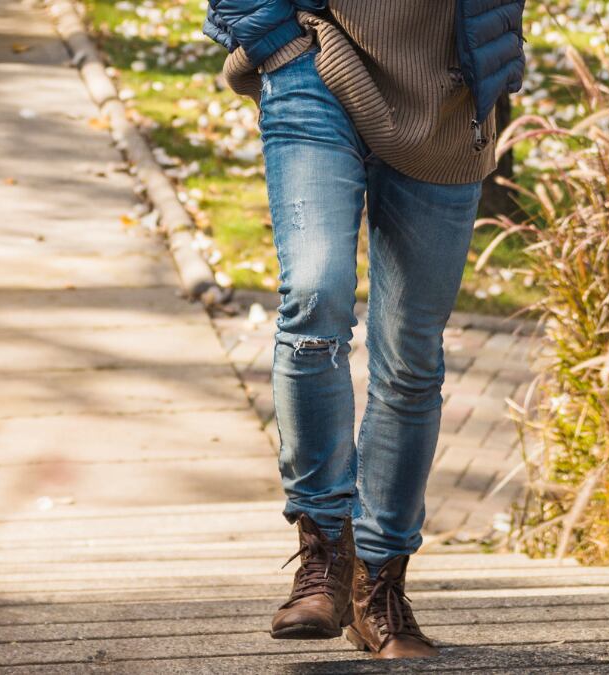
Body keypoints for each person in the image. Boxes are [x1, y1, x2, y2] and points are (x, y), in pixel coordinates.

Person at [203, 0, 525, 659]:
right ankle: (325, 551)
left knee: (411, 356)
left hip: (445, 90)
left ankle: (378, 584)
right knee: (316, 295)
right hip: (313, 60)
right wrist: (278, 45)